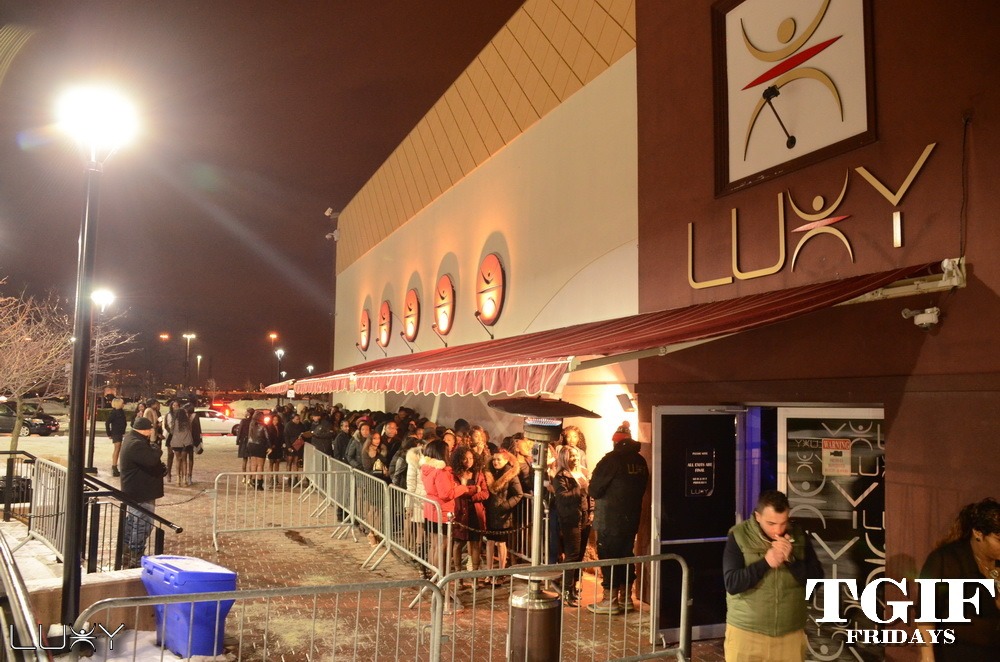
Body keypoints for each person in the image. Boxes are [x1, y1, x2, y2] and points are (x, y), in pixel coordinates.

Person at [722, 490, 824, 662]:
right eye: (771, 523)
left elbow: (816, 580)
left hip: (789, 634)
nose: (778, 529)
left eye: (783, 523)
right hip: (746, 633)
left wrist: (791, 560)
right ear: (758, 516)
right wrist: (766, 562)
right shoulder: (739, 536)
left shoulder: (799, 536)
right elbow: (732, 583)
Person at [917, 497, 1000, 661]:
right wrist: (927, 657)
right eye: (999, 539)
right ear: (978, 533)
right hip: (955, 653)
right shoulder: (945, 559)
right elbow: (926, 614)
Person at [587, 423, 649, 614]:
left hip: (610, 519)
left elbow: (594, 489)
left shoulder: (611, 460)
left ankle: (610, 600)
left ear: (615, 442)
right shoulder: (640, 461)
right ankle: (626, 598)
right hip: (631, 518)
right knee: (626, 555)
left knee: (609, 557)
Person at [119, 417, 164, 568]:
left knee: (134, 522)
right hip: (141, 492)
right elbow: (151, 460)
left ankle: (127, 554)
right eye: (150, 429)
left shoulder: (132, 440)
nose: (151, 432)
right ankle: (135, 557)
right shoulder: (136, 444)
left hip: (137, 490)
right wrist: (156, 448)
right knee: (142, 524)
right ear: (144, 430)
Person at [552, 445, 593, 607]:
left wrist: (592, 511)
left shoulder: (582, 472)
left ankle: (574, 587)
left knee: (580, 555)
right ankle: (566, 591)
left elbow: (589, 495)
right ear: (564, 458)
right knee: (572, 555)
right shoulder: (561, 477)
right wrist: (579, 489)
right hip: (570, 519)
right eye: (571, 456)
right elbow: (562, 497)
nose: (575, 459)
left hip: (584, 518)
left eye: (576, 455)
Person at [484, 449, 524, 584]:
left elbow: (518, 494)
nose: (495, 462)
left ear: (506, 460)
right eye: (494, 459)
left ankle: (501, 572)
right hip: (490, 512)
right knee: (490, 542)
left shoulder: (510, 474)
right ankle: (488, 572)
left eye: (499, 459)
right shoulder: (489, 472)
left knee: (501, 543)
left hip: (503, 515)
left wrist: (505, 506)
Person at [450, 446, 488, 583]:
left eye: (471, 458)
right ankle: (458, 576)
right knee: (458, 544)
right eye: (465, 458)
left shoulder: (478, 474)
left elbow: (485, 493)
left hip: (475, 513)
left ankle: (474, 577)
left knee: (475, 544)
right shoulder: (454, 474)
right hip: (460, 513)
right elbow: (457, 493)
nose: (468, 461)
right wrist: (474, 489)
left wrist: (471, 494)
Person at [164, 400, 195, 487]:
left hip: (176, 443)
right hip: (185, 443)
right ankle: (184, 480)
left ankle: (178, 479)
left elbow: (171, 432)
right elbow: (190, 432)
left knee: (177, 460)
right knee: (184, 461)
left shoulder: (174, 423)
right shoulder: (187, 423)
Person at [105, 398, 127, 477]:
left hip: (119, 432)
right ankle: (114, 467)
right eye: (122, 403)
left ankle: (115, 466)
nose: (123, 404)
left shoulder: (120, 412)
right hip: (116, 432)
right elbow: (107, 422)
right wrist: (109, 433)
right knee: (117, 449)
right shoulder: (114, 413)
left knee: (118, 448)